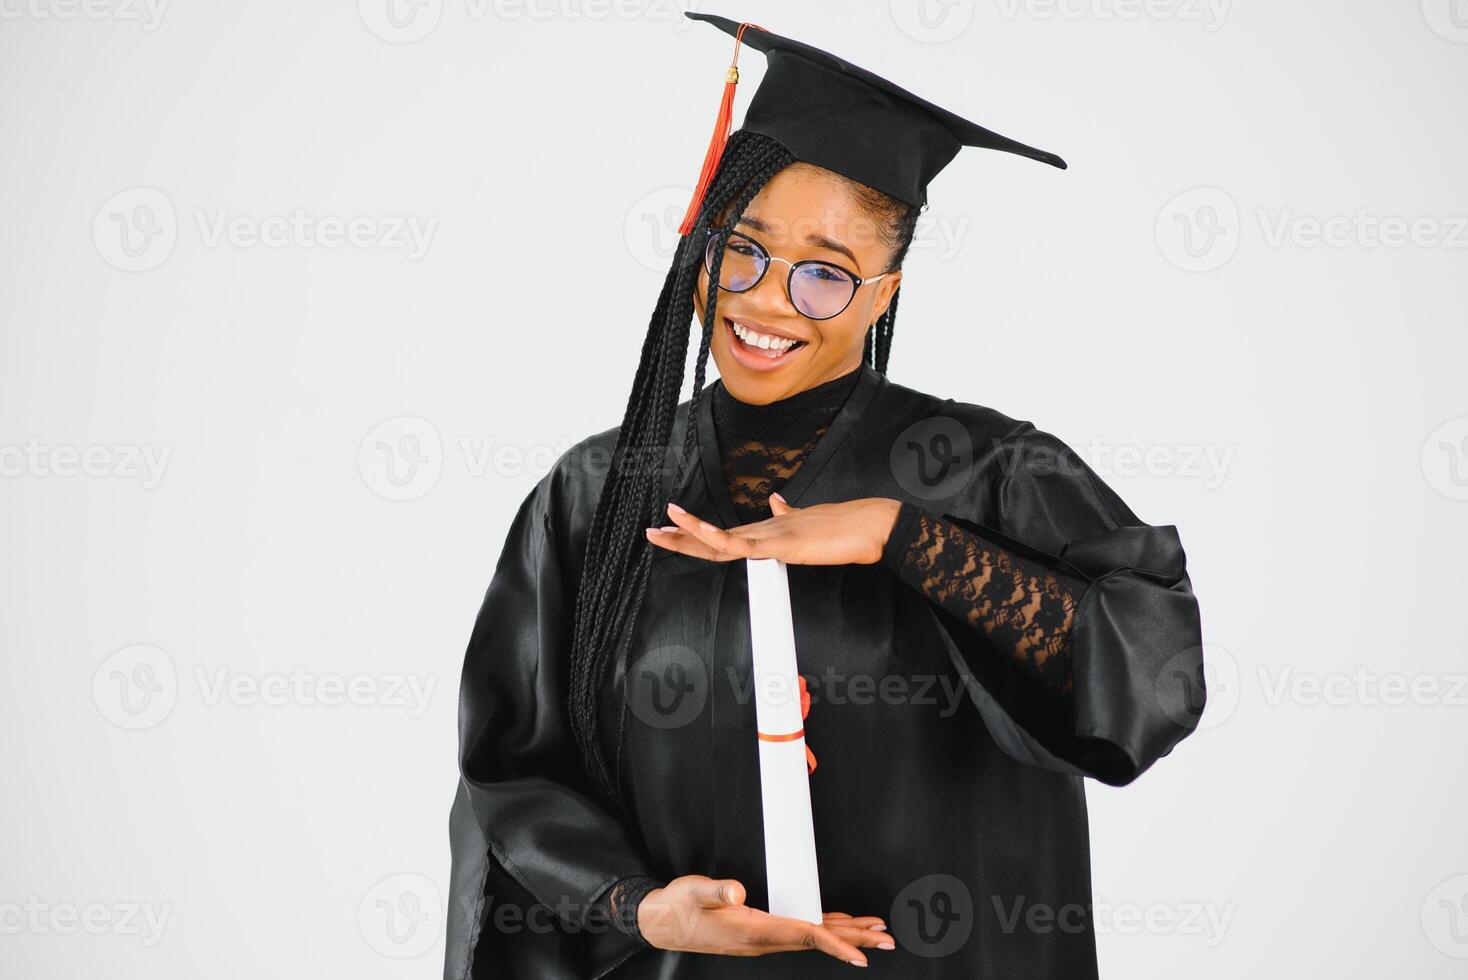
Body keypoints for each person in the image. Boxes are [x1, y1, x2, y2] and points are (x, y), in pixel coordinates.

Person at [444, 13, 1205, 979]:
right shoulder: (595, 493)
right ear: (700, 241)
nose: (765, 300)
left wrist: (902, 537)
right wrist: (640, 908)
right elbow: (512, 771)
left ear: (883, 295)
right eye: (743, 248)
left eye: (825, 276)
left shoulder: (990, 471)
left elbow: (1151, 672)